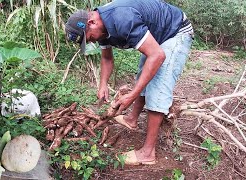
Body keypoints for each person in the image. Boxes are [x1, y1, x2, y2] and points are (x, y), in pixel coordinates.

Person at [65, 0, 193, 165]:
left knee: (158, 86)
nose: (90, 42)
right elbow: (107, 58)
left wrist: (132, 95)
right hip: (157, 36)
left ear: (92, 22)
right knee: (143, 73)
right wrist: (103, 83)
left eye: (88, 38)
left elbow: (158, 56)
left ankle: (148, 153)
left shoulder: (121, 19)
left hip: (175, 31)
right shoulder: (101, 27)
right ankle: (132, 119)